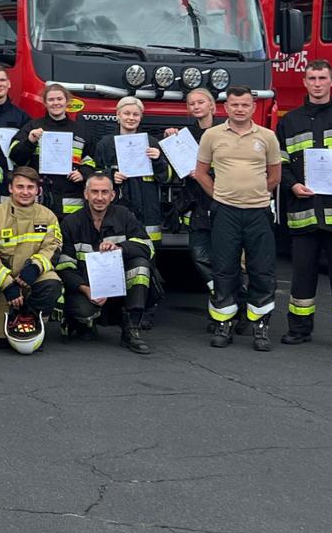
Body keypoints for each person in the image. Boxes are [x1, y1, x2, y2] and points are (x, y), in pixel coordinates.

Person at [278, 61, 332, 350]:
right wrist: (292, 185)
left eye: (322, 78)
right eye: (312, 78)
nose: (317, 83)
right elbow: (281, 163)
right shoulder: (289, 121)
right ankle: (299, 329)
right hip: (303, 212)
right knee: (302, 277)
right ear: (304, 82)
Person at [191, 86, 282, 351]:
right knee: (224, 268)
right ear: (225, 108)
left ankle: (260, 326)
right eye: (234, 105)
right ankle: (224, 323)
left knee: (261, 270)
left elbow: (274, 176)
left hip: (258, 212)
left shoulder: (267, 137)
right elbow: (201, 172)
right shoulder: (211, 135)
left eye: (245, 105)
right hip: (225, 212)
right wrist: (219, 195)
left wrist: (254, 195)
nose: (239, 109)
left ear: (253, 108)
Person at [57, 172, 156, 354]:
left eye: (105, 192)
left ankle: (131, 329)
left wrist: (120, 248)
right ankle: (82, 322)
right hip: (87, 288)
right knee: (82, 311)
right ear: (86, 194)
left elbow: (147, 247)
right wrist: (85, 289)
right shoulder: (71, 223)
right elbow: (65, 267)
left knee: (141, 265)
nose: (100, 197)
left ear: (113, 195)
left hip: (119, 286)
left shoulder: (125, 216)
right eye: (95, 192)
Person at [0, 168, 62, 349]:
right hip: (1, 284)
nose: (25, 192)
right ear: (10, 188)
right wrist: (7, 284)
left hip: (31, 279)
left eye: (30, 187)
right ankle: (8, 312)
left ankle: (28, 315)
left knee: (52, 283)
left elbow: (53, 247)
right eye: (20, 187)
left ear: (38, 190)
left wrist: (35, 268)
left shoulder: (47, 216)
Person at [9, 83, 101, 216]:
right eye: (51, 100)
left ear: (67, 102)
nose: (55, 103)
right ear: (45, 103)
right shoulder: (33, 127)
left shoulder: (81, 131)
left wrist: (84, 172)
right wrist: (30, 141)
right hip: (40, 196)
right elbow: (15, 156)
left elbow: (93, 159)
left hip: (71, 198)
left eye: (59, 99)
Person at [165, 88, 218, 310]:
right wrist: (170, 142)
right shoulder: (185, 135)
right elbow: (175, 170)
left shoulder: (223, 133)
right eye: (191, 103)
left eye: (200, 102)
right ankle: (222, 294)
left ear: (212, 106)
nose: (196, 106)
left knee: (223, 258)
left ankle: (230, 302)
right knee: (199, 255)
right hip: (195, 203)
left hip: (219, 201)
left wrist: (205, 174)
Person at [92, 97, 165, 243]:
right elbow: (94, 174)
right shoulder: (105, 144)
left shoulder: (152, 143)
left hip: (147, 207)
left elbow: (166, 178)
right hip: (116, 205)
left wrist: (158, 160)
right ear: (118, 115)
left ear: (140, 117)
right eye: (126, 113)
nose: (131, 118)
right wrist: (111, 176)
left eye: (135, 114)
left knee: (148, 252)